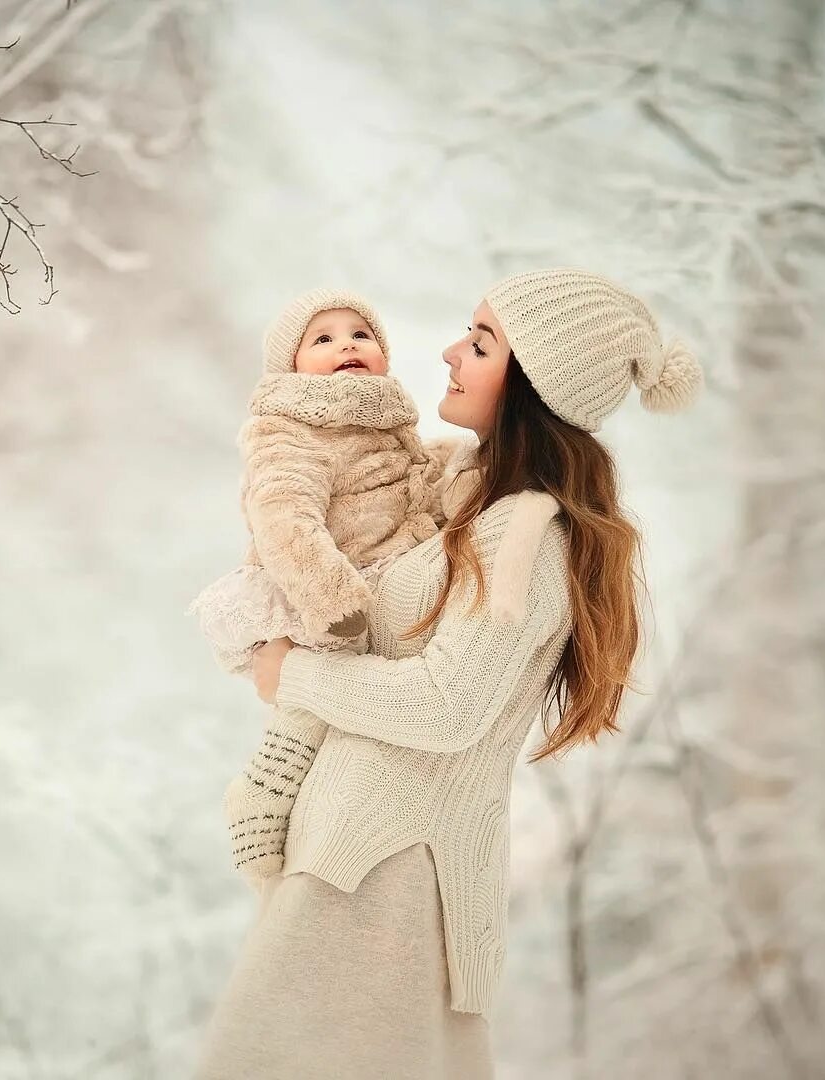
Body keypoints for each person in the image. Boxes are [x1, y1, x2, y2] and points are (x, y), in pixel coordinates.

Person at [192, 268, 704, 1079]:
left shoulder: (525, 534)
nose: (449, 352)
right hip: (353, 861)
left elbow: (446, 706)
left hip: (386, 874)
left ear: (534, 380)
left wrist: (288, 673)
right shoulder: (464, 502)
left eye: (481, 341)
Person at [187, 288, 464, 883]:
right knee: (315, 696)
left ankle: (313, 802)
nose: (347, 345)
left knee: (356, 719)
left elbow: (410, 482)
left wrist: (457, 470)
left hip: (384, 572)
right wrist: (328, 595)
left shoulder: (387, 415)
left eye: (361, 335)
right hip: (323, 586)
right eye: (324, 338)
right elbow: (282, 511)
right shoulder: (289, 427)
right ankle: (264, 785)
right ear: (291, 365)